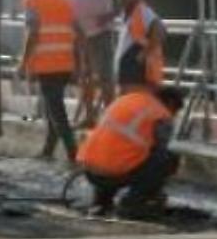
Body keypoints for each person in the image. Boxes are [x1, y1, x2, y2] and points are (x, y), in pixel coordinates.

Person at [76, 51, 184, 218]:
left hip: (90, 169)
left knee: (116, 151)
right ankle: (132, 203)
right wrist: (154, 190)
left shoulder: (126, 99)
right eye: (175, 111)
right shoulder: (160, 113)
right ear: (170, 103)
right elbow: (162, 149)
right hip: (115, 172)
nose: (173, 116)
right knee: (168, 159)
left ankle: (102, 202)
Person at [51, 0, 123, 124]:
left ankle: (111, 119)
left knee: (105, 76)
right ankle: (90, 116)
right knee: (84, 76)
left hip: (100, 29)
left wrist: (112, 13)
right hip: (75, 31)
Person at [16, 0, 82, 162]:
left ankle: (74, 154)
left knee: (56, 111)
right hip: (65, 63)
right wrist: (79, 64)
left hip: (47, 64)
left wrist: (23, 63)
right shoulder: (64, 1)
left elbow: (33, 33)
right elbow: (79, 34)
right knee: (51, 108)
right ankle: (48, 151)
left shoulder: (33, 2)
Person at [113, 0, 166, 88]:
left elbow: (159, 30)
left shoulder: (142, 10)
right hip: (128, 68)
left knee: (135, 96)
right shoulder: (127, 13)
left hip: (136, 70)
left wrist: (143, 54)